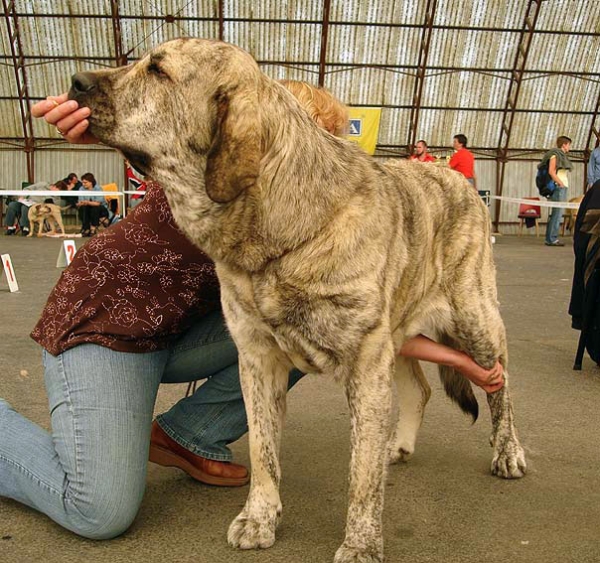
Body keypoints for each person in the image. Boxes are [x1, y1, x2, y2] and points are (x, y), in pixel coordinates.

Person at [0, 86, 504, 541]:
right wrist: (105, 130)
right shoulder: (209, 176)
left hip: (184, 328)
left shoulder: (322, 219)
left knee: (296, 338)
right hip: (108, 324)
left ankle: (187, 434)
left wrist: (460, 359)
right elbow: (161, 142)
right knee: (99, 510)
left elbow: (352, 334)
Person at [540, 135, 573, 247]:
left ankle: (551, 237)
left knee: (557, 213)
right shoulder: (555, 155)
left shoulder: (561, 156)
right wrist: (561, 183)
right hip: (559, 188)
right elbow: (551, 171)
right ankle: (551, 239)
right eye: (568, 145)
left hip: (562, 187)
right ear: (564, 145)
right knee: (557, 214)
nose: (569, 147)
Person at [77, 172, 108, 236]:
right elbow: (81, 201)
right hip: (86, 207)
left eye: (85, 182)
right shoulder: (81, 189)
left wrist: (87, 202)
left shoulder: (98, 189)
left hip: (100, 208)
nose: (83, 184)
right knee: (83, 209)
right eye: (82, 182)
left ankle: (93, 228)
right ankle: (86, 228)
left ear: (91, 182)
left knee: (95, 208)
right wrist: (84, 203)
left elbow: (98, 203)